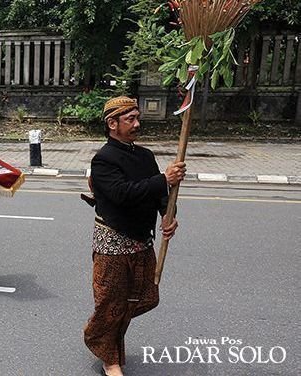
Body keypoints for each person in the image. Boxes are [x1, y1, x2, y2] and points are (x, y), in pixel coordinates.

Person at [83, 96, 186, 376]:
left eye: (137, 117)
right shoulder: (103, 160)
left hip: (142, 241)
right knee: (111, 302)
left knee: (145, 297)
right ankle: (110, 357)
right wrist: (163, 179)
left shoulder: (145, 156)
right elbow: (123, 194)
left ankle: (102, 333)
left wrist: (168, 214)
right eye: (131, 119)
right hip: (112, 243)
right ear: (112, 123)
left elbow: (160, 196)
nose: (138, 124)